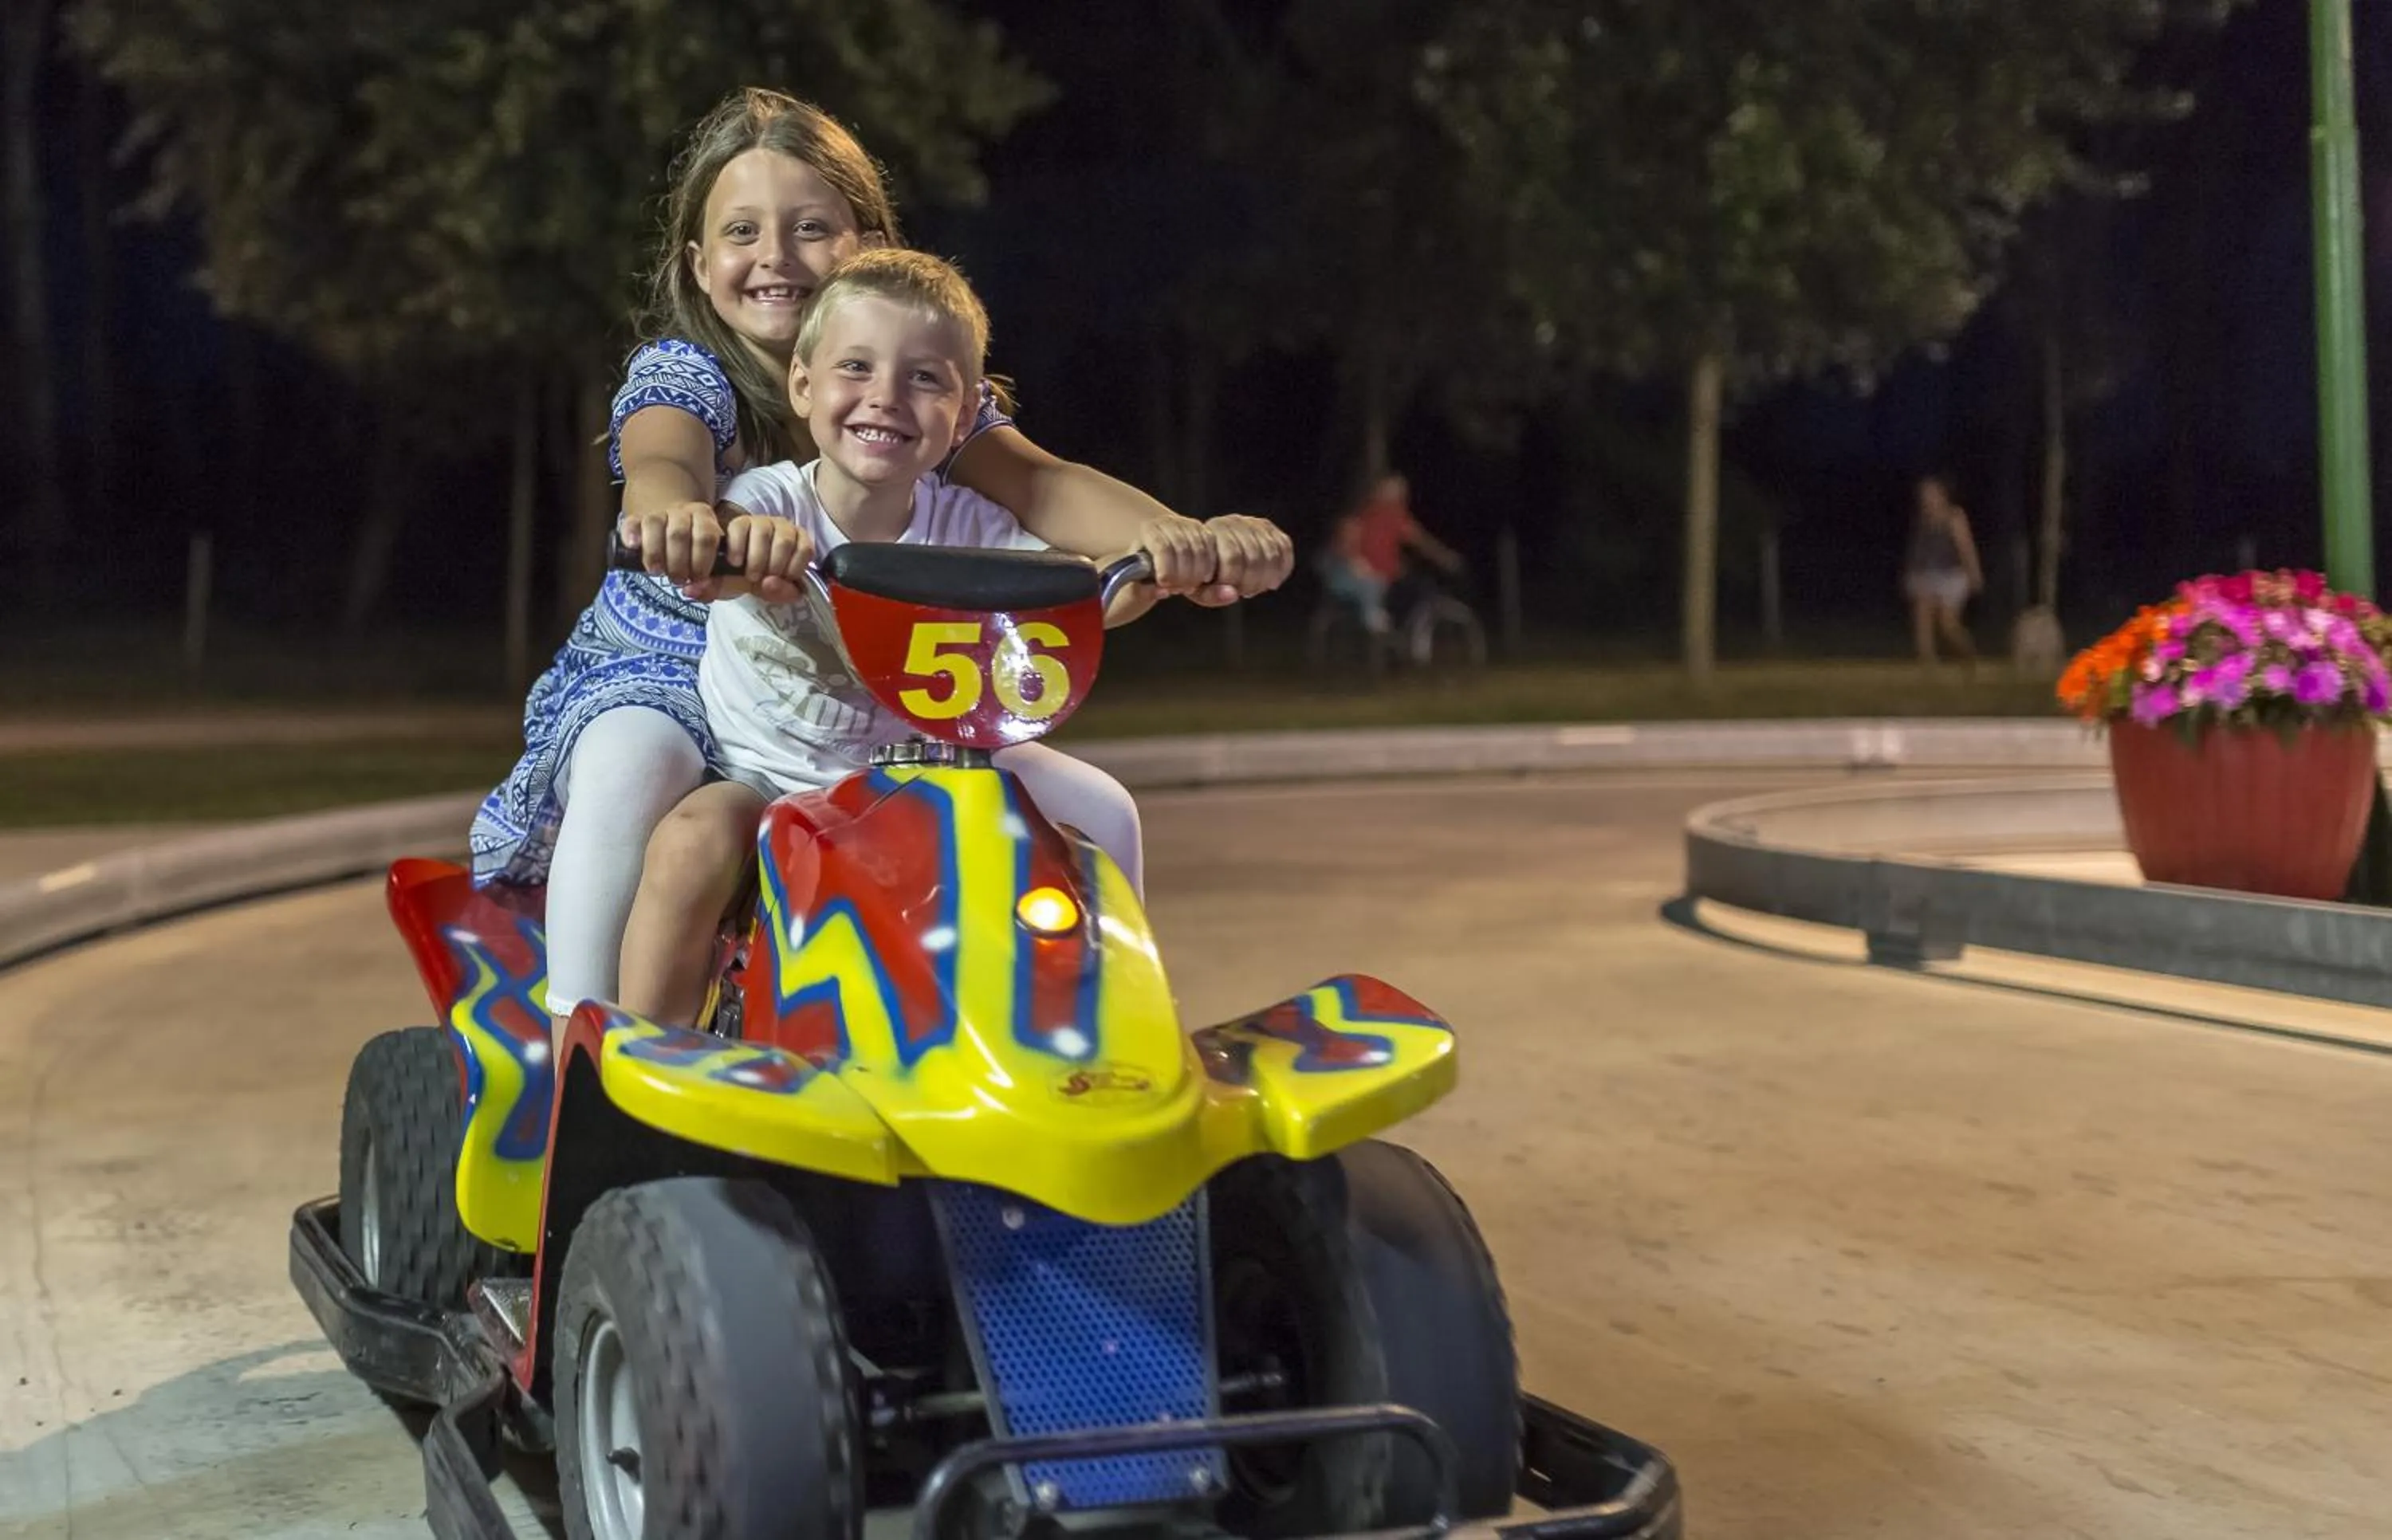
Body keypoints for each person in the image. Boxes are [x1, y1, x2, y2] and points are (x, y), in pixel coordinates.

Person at [467, 88, 1292, 1031]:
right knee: (633, 763)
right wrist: (673, 518)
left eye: (812, 227)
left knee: (1097, 809)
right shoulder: (690, 372)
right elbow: (661, 459)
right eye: (744, 231)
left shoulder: (916, 385)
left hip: (890, 691)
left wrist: (1178, 540)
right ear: (700, 265)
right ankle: (583, 1042)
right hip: (674, 656)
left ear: (867, 244)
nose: (776, 256)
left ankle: (1106, 1044)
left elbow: (1047, 491)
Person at [616, 249, 1226, 1026]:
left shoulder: (970, 530)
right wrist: (721, 540)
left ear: (967, 414)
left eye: (925, 379)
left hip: (938, 778)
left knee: (1102, 812)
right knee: (691, 843)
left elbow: (1082, 599)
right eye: (857, 368)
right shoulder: (765, 504)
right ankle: (641, 1068)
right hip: (769, 781)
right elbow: (719, 550)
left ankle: (1110, 1042)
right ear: (803, 385)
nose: (886, 398)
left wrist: (1177, 558)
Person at [1318, 473, 1461, 638]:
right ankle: (1401, 637)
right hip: (1372, 582)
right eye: (1395, 491)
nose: (1400, 496)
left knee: (1418, 591)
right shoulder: (1364, 517)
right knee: (1417, 593)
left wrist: (1445, 558)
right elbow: (1344, 548)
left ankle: (1403, 636)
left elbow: (1419, 541)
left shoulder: (1394, 516)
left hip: (1385, 579)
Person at [1902, 473, 1982, 674]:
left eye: (1931, 493)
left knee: (1947, 623)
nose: (1927, 498)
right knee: (1922, 614)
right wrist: (1911, 574)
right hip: (1928, 573)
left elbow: (1965, 547)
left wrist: (1974, 573)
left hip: (1953, 574)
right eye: (1924, 494)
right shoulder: (1923, 519)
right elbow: (1918, 550)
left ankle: (1967, 653)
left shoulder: (1954, 516)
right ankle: (1927, 661)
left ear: (1942, 495)